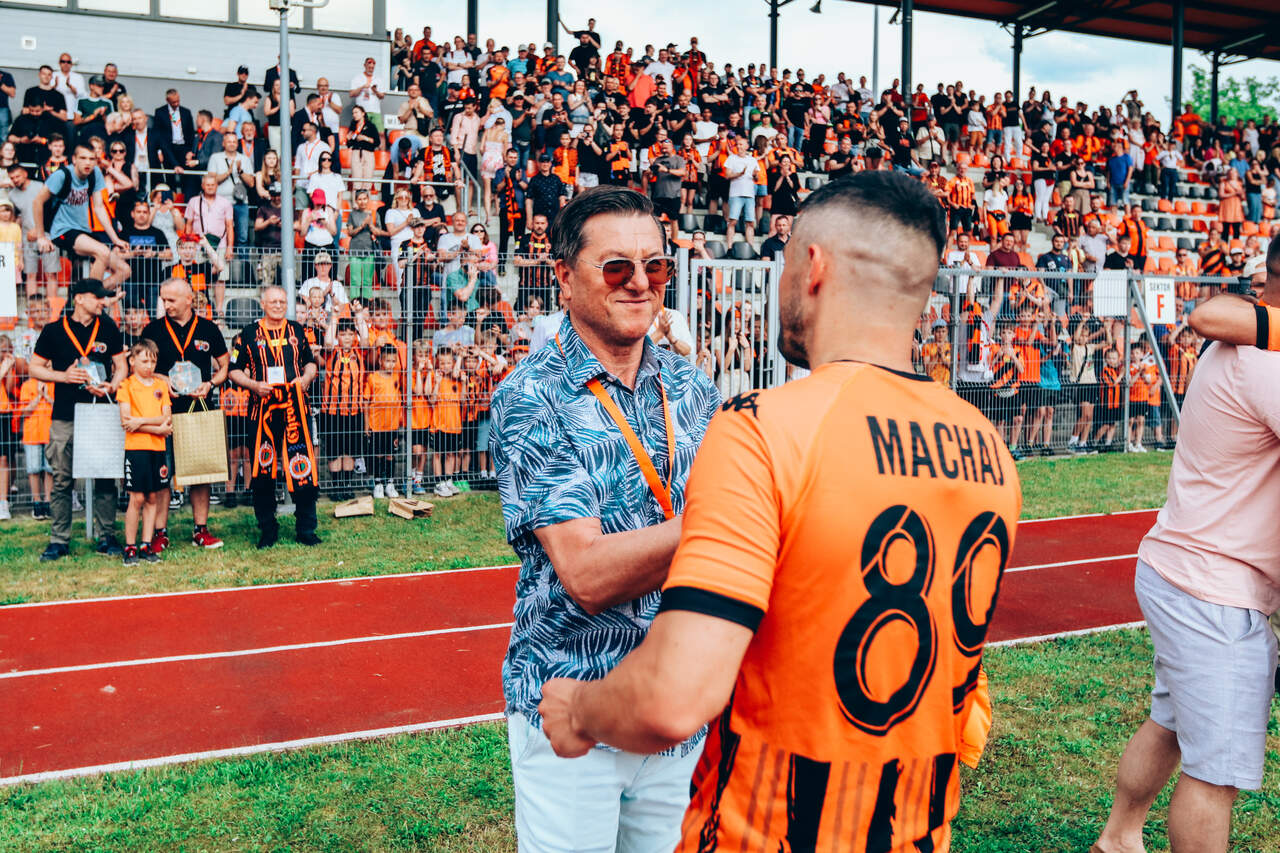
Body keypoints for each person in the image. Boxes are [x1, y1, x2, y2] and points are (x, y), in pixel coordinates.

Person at [537, 171, 1021, 850]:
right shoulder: (988, 446)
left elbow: (675, 696)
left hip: (771, 825)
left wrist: (579, 710)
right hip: (911, 826)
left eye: (787, 260)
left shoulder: (766, 427)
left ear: (813, 267)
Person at [489, 186, 720, 851]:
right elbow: (587, 574)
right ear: (565, 277)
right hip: (573, 708)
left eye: (655, 266)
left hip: (678, 704)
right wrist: (731, 518)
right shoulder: (532, 395)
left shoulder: (692, 387)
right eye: (617, 267)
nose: (640, 282)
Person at [1092, 239, 1280, 853]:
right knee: (1215, 773)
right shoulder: (1267, 365)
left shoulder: (1245, 343)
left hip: (1184, 570)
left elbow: (1213, 313)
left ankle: (1119, 838)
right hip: (1215, 590)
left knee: (1170, 725)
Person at [28, 278, 128, 561]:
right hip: (65, 415)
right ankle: (59, 540)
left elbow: (121, 365)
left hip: (99, 412)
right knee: (62, 479)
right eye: (98, 297)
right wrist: (63, 376)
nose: (103, 302)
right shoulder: (53, 330)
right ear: (79, 299)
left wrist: (112, 385)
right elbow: (35, 368)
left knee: (105, 476)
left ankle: (106, 536)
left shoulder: (108, 326)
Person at [228, 286, 321, 548]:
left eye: (282, 301)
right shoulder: (248, 334)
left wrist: (306, 378)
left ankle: (306, 529)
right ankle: (267, 529)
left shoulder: (297, 330)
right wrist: (253, 385)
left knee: (302, 466)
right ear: (262, 304)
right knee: (262, 470)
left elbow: (310, 362)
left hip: (295, 409)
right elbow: (233, 370)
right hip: (262, 410)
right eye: (273, 302)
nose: (278, 305)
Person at [142, 278, 229, 551]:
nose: (166, 304)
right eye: (163, 299)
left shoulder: (208, 329)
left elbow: (225, 365)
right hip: (162, 413)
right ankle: (160, 532)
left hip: (197, 410)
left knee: (200, 472)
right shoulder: (153, 329)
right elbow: (140, 368)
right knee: (162, 473)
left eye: (171, 300)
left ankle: (201, 530)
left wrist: (210, 383)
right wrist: (160, 378)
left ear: (189, 299)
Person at [31, 143, 130, 291]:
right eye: (83, 158)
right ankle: (91, 296)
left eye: (92, 159)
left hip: (84, 230)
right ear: (74, 159)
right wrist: (41, 236)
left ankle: (85, 294)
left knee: (124, 270)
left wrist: (115, 239)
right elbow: (37, 202)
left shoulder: (95, 173)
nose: (88, 163)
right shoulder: (62, 175)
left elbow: (99, 208)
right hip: (63, 230)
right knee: (102, 252)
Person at [118, 339, 173, 565]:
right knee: (137, 497)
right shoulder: (126, 386)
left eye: (153, 362)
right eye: (144, 361)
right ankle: (130, 546)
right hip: (136, 449)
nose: (149, 366)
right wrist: (157, 429)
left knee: (152, 497)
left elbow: (166, 417)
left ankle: (146, 544)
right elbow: (126, 421)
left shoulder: (160, 386)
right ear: (132, 361)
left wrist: (141, 421)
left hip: (157, 449)